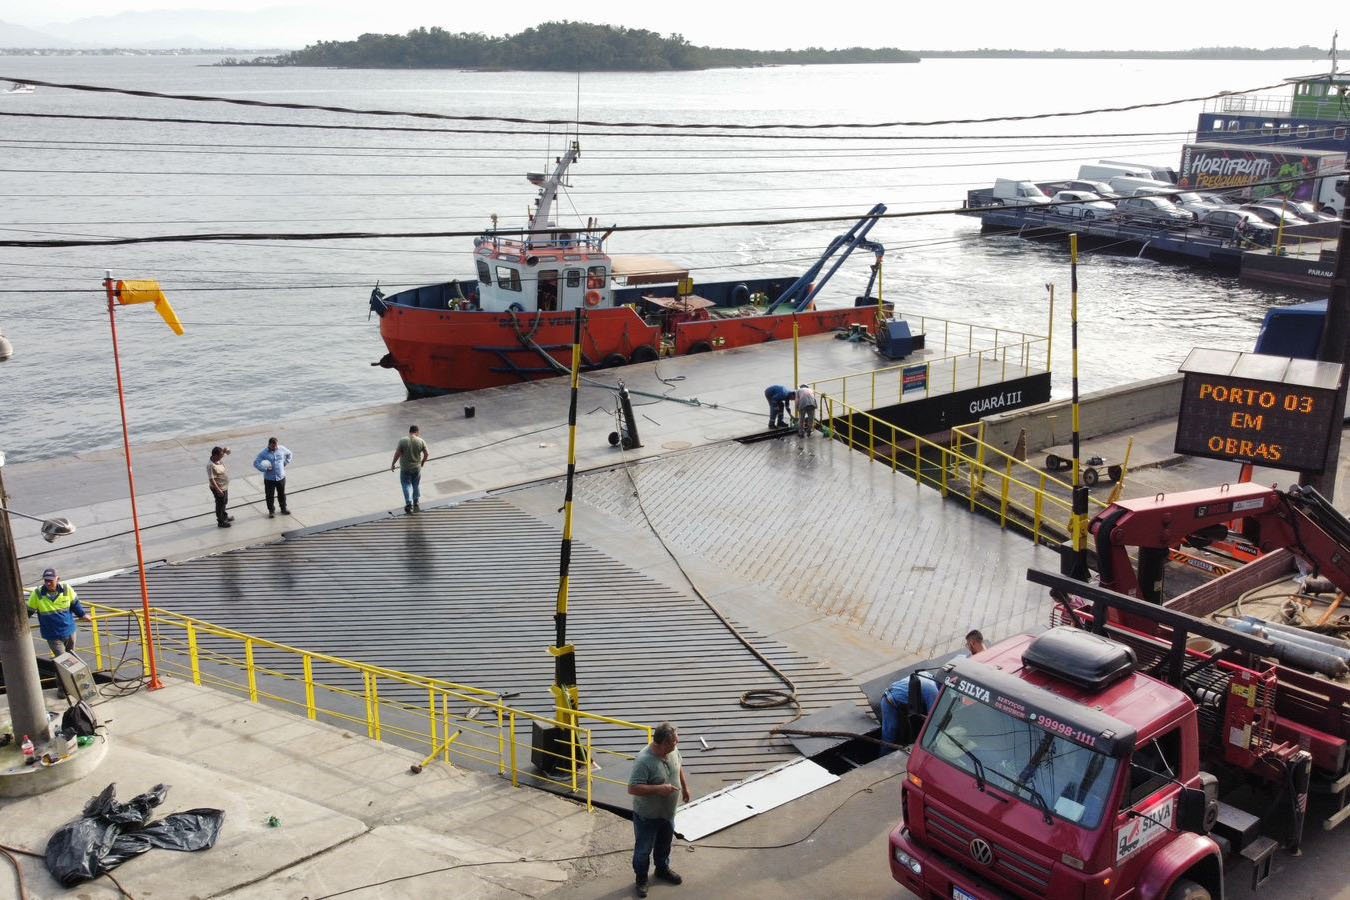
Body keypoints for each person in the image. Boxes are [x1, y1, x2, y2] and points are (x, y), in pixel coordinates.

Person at [879, 629, 988, 748]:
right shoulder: (931, 691)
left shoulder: (938, 675)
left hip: (901, 703)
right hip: (890, 702)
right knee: (889, 736)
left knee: (904, 734)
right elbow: (934, 719)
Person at [627, 722, 690, 898]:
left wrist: (685, 788)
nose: (676, 744)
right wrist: (658, 789)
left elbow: (679, 767)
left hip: (668, 813)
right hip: (648, 816)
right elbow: (632, 788)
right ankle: (641, 879)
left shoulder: (672, 751)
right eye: (673, 742)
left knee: (664, 844)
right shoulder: (644, 760)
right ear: (662, 743)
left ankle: (662, 869)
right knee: (643, 849)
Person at [27, 568, 91, 657]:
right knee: (63, 659)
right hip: (52, 635)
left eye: (50, 580)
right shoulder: (37, 593)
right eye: (46, 580)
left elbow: (75, 604)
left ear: (58, 579)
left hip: (69, 631)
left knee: (72, 655)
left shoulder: (66, 589)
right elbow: (28, 611)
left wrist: (82, 615)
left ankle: (75, 671)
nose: (48, 583)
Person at [391, 424, 430, 514]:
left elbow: (397, 454)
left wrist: (393, 463)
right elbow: (427, 453)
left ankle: (409, 503)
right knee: (416, 484)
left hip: (405, 468)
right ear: (417, 432)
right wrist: (423, 462)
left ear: (409, 432)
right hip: (416, 468)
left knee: (406, 485)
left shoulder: (403, 440)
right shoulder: (421, 441)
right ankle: (416, 501)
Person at [253, 437, 293, 518]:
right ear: (269, 445)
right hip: (269, 479)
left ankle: (283, 509)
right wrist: (264, 469)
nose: (275, 448)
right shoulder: (263, 453)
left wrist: (285, 463)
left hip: (280, 477)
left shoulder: (281, 449)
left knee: (281, 494)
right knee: (269, 495)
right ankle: (271, 511)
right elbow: (256, 463)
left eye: (276, 446)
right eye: (273, 446)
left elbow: (289, 454)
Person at [207, 446, 233, 528]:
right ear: (215, 455)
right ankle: (221, 521)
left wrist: (226, 450)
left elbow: (226, 451)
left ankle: (224, 516)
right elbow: (212, 479)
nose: (222, 457)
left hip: (224, 486)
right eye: (220, 456)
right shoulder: (210, 465)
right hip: (218, 488)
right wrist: (218, 490)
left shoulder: (217, 459)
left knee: (224, 502)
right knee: (220, 504)